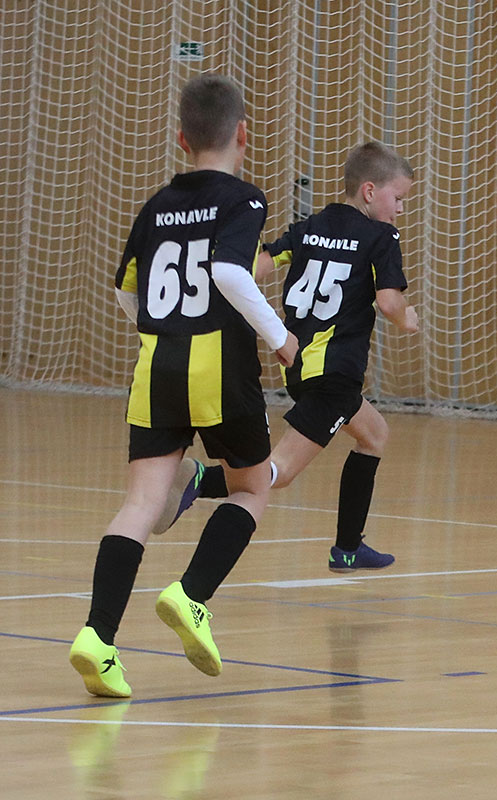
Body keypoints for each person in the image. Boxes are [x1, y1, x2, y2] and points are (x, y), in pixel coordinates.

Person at [69, 74, 299, 698]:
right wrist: (281, 339)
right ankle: (191, 595)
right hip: (218, 368)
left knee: (141, 504)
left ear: (181, 139)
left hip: (156, 365)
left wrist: (164, 332)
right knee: (253, 486)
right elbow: (230, 272)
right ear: (244, 134)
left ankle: (98, 637)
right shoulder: (244, 200)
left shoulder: (157, 205)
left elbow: (126, 292)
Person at [158, 142, 419, 573]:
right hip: (334, 374)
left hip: (299, 367)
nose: (401, 209)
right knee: (277, 472)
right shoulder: (381, 237)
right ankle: (201, 479)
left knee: (374, 434)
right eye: (399, 198)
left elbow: (254, 268)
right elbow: (390, 302)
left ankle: (348, 548)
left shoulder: (307, 228)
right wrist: (407, 317)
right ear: (370, 191)